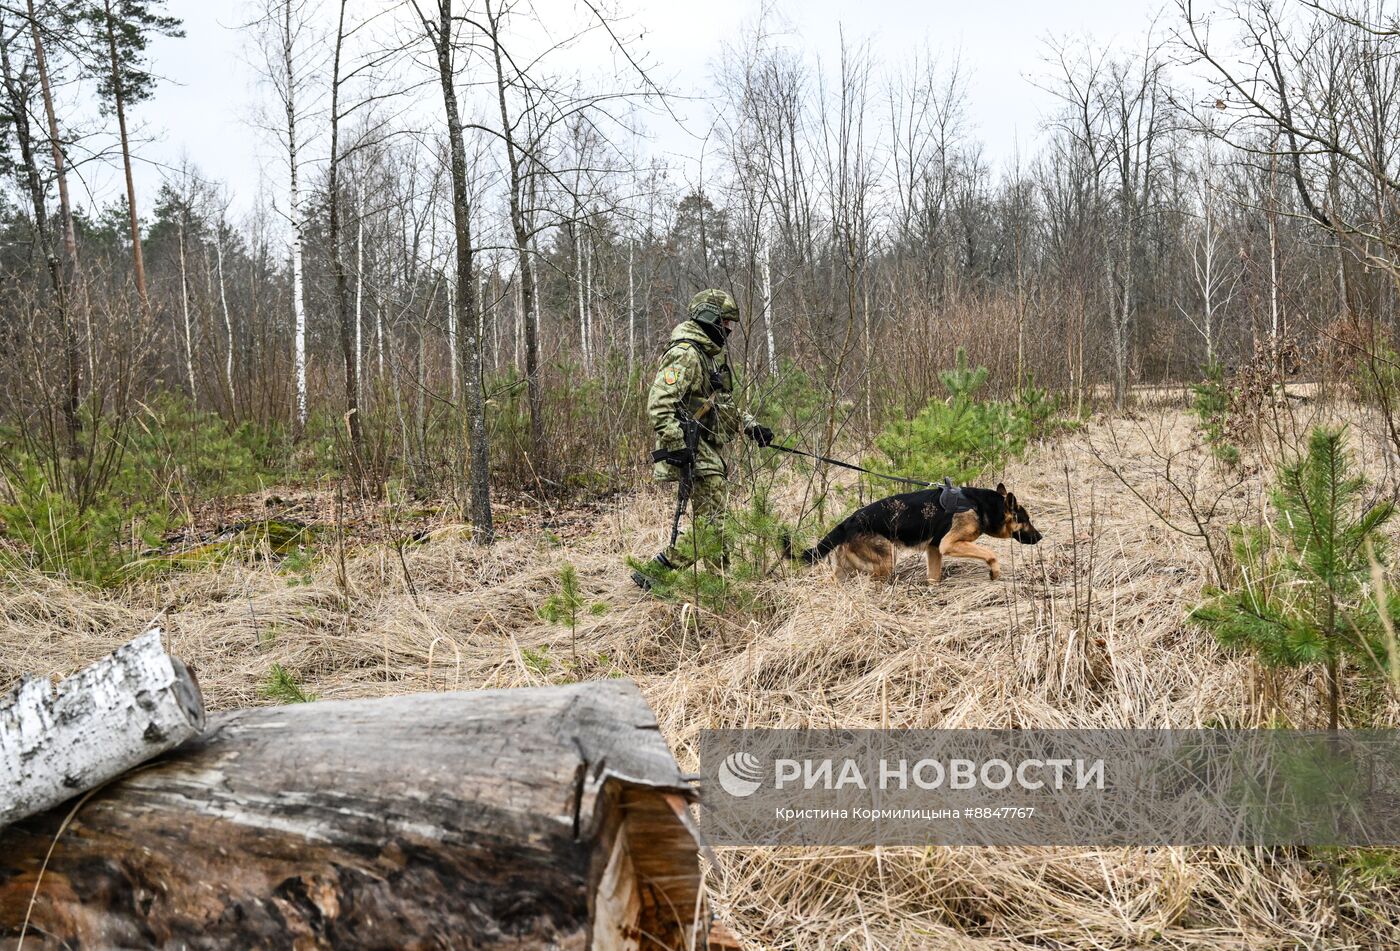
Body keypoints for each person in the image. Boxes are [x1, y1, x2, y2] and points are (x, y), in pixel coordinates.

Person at [631, 289, 773, 590]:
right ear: (709, 318)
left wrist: (751, 426)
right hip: (693, 448)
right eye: (724, 322)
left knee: (716, 522)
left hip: (705, 447)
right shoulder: (686, 354)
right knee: (712, 523)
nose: (729, 329)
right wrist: (677, 444)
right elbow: (658, 404)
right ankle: (658, 570)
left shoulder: (704, 355)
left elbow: (720, 405)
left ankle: (719, 587)